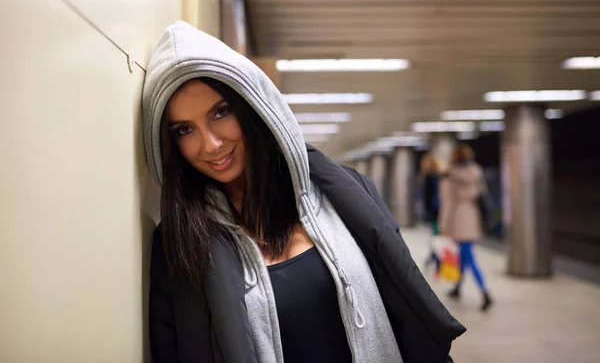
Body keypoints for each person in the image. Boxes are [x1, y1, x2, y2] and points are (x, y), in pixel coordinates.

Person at [142, 21, 465, 363]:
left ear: (255, 108)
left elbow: (403, 305)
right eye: (184, 129)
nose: (210, 144)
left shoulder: (346, 195)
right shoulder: (178, 244)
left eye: (221, 112)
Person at [439, 144, 494, 312]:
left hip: (459, 216)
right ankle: (457, 288)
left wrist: (443, 224)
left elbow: (448, 201)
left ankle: (485, 292)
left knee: (468, 257)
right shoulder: (476, 172)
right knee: (464, 255)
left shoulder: (451, 176)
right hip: (472, 214)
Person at [420, 153, 442, 272]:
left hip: (433, 212)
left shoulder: (429, 178)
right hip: (435, 212)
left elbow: (428, 198)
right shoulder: (434, 178)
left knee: (435, 237)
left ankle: (434, 259)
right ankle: (435, 260)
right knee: (435, 237)